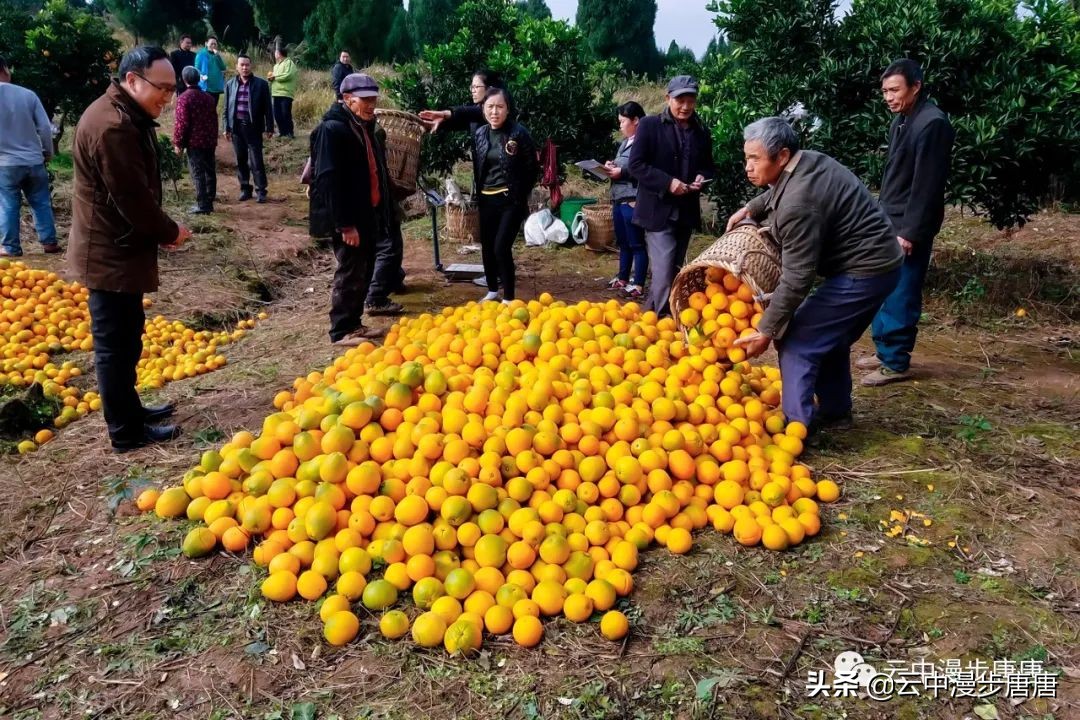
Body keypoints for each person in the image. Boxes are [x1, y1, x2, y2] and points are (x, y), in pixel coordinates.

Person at [727, 117, 902, 434]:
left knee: (796, 339)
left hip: (866, 269)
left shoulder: (798, 203)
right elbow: (776, 190)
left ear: (781, 156)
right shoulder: (807, 160)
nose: (747, 167)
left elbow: (796, 278)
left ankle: (796, 428)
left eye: (755, 159)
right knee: (827, 335)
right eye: (746, 158)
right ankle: (835, 412)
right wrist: (752, 208)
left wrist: (767, 329)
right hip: (877, 261)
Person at [67, 46, 190, 452]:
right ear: (132, 80)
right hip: (108, 253)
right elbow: (132, 198)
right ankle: (125, 431)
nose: (168, 98)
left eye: (173, 90)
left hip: (118, 248)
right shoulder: (112, 126)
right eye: (163, 88)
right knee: (114, 345)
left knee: (127, 338)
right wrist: (169, 231)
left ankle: (132, 410)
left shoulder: (124, 115)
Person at [860, 59, 955, 387]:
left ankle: (896, 361)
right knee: (883, 286)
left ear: (916, 87)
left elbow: (927, 185)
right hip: (889, 218)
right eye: (885, 91)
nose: (888, 96)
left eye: (895, 89)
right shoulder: (901, 120)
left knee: (901, 290)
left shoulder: (932, 124)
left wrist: (910, 232)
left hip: (907, 225)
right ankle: (883, 350)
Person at [308, 73, 393, 345]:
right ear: (347, 99)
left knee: (364, 269)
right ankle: (341, 329)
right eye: (365, 100)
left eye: (374, 99)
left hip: (366, 211)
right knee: (350, 270)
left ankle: (354, 323)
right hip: (349, 218)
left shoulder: (360, 125)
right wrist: (344, 224)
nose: (372, 105)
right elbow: (329, 180)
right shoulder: (332, 130)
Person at [629, 75, 715, 317]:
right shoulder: (650, 125)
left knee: (674, 270)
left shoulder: (701, 131)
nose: (686, 106)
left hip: (685, 211)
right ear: (668, 98)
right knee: (665, 269)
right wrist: (668, 183)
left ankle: (649, 319)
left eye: (691, 100)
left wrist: (701, 177)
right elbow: (636, 164)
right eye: (680, 100)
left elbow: (708, 167)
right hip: (658, 210)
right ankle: (665, 322)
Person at [418, 69, 501, 288]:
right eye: (472, 87)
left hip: (499, 182)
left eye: (477, 87)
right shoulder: (477, 113)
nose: (473, 91)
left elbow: (471, 113)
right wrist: (440, 122)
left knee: (496, 230)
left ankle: (499, 275)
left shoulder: (494, 111)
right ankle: (493, 274)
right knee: (488, 229)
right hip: (483, 179)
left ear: (490, 89)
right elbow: (465, 118)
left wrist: (446, 113)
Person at [471, 87, 539, 303]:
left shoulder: (518, 133)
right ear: (483, 109)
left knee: (501, 246)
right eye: (490, 107)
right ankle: (492, 290)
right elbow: (478, 165)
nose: (494, 111)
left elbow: (532, 167)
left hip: (510, 200)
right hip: (486, 198)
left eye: (500, 107)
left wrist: (519, 193)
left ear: (508, 109)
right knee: (488, 247)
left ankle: (509, 297)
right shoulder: (480, 133)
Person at [0, 53, 59, 257]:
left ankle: (10, 247)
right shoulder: (28, 94)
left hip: (5, 163)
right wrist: (47, 152)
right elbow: (44, 127)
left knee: (8, 204)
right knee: (41, 201)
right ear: (5, 70)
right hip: (34, 160)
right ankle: (50, 242)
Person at [601, 101, 648, 299]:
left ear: (636, 120)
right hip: (618, 199)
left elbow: (644, 168)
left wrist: (623, 171)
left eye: (622, 121)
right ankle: (622, 277)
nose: (620, 125)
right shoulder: (625, 142)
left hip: (632, 198)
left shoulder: (645, 142)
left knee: (637, 243)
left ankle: (638, 284)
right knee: (624, 242)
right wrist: (610, 166)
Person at [223, 54, 273, 203]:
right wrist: (226, 127)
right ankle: (245, 188)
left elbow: (268, 109)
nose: (245, 68)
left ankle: (261, 190)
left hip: (254, 127)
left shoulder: (261, 84)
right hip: (236, 127)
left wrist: (269, 126)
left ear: (251, 66)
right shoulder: (230, 84)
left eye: (247, 65)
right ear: (237, 67)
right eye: (242, 65)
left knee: (256, 160)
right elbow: (226, 108)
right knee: (240, 160)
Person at [172, 66, 218, 214]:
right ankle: (210, 199)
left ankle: (203, 205)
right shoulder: (209, 98)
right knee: (210, 170)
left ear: (184, 80)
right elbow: (214, 120)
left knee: (197, 173)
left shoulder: (184, 98)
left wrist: (178, 142)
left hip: (194, 141)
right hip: (209, 140)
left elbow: (182, 123)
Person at [267, 45, 297, 139]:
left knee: (285, 113)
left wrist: (275, 77)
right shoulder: (276, 66)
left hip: (286, 93)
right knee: (277, 114)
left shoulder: (289, 63)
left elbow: (288, 75)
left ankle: (289, 133)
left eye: (275, 52)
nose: (274, 54)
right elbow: (274, 78)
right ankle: (282, 132)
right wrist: (270, 79)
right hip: (276, 93)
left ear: (279, 54)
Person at [195, 36, 226, 107]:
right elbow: (196, 69)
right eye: (211, 44)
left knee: (213, 108)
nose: (213, 45)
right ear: (206, 43)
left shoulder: (216, 55)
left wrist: (218, 56)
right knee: (205, 109)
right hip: (206, 87)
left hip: (216, 87)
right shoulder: (201, 54)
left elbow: (223, 67)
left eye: (215, 44)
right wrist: (201, 77)